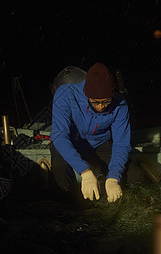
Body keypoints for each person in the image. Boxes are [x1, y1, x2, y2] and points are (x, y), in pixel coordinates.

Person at [50, 62, 131, 202]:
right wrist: (85, 172)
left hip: (99, 144)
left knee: (134, 173)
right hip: (70, 142)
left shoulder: (120, 103)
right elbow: (59, 136)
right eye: (95, 102)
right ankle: (68, 202)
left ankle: (106, 195)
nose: (100, 107)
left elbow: (122, 144)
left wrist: (114, 178)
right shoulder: (65, 95)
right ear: (87, 95)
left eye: (106, 102)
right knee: (60, 170)